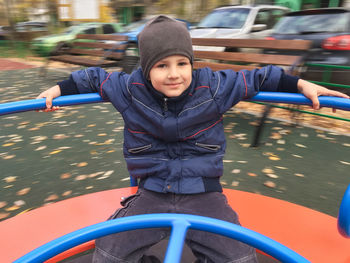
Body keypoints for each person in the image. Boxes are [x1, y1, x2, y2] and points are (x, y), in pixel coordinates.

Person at [37, 15, 349, 263]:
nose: (174, 74)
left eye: (182, 63)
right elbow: (91, 77)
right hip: (152, 193)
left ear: (191, 63)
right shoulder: (129, 89)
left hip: (204, 194)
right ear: (146, 70)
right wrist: (58, 89)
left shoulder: (213, 87)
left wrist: (303, 85)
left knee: (240, 256)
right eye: (162, 65)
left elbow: (260, 76)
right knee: (108, 252)